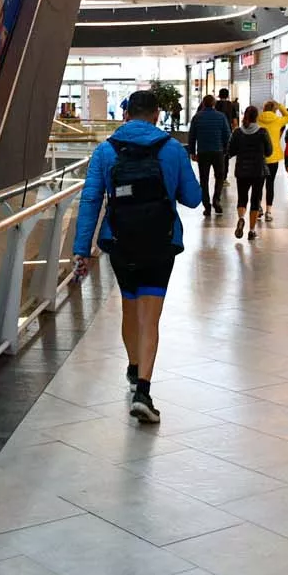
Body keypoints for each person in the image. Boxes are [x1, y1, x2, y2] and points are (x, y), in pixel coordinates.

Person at [71, 90, 200, 425]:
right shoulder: (172, 149)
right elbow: (193, 198)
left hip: (120, 241)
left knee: (130, 305)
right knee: (150, 315)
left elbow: (90, 201)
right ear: (157, 115)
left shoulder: (105, 150)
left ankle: (132, 367)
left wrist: (81, 250)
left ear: (126, 114)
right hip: (161, 242)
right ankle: (144, 389)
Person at [228, 106, 271, 241]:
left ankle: (241, 218)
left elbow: (230, 151)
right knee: (255, 200)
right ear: (256, 117)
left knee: (242, 198)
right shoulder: (262, 132)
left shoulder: (237, 132)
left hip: (242, 170)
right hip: (258, 171)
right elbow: (269, 152)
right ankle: (252, 231)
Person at [188, 94, 231, 217]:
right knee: (220, 177)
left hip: (203, 152)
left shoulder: (197, 117)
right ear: (214, 104)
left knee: (204, 179)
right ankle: (216, 200)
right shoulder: (221, 117)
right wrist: (226, 150)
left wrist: (192, 152)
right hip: (218, 152)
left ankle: (206, 206)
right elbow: (227, 135)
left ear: (203, 103)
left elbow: (192, 137)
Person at [255, 100, 288, 219]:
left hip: (260, 157)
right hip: (273, 157)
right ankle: (268, 212)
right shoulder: (278, 120)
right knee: (270, 184)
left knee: (258, 184)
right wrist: (280, 106)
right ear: (274, 109)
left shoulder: (258, 119)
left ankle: (258, 207)